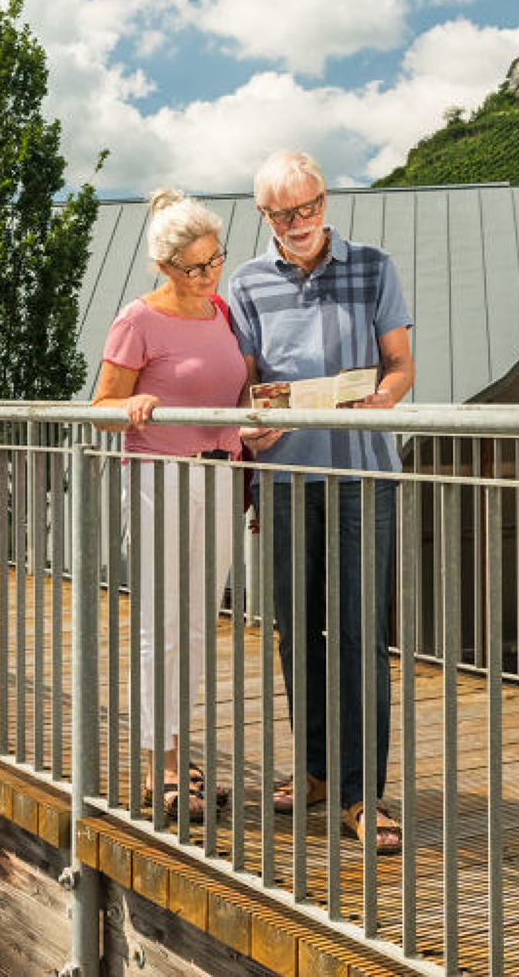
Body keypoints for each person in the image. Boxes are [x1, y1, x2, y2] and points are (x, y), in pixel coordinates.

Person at [225, 150, 413, 853]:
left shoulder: (374, 267)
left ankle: (365, 794)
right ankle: (316, 772)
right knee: (295, 630)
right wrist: (253, 417)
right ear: (263, 216)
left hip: (363, 475)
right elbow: (245, 387)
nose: (299, 223)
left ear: (325, 200)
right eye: (282, 214)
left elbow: (400, 366)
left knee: (360, 634)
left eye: (308, 208)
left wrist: (382, 399)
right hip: (283, 477)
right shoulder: (245, 284)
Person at [91, 188, 269, 819]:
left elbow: (236, 392)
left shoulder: (222, 311)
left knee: (197, 622)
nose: (209, 274)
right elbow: (102, 407)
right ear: (163, 268)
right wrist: (133, 406)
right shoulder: (137, 319)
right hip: (159, 478)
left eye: (215, 259)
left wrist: (255, 425)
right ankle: (158, 766)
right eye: (195, 266)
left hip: (221, 476)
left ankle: (177, 753)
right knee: (160, 625)